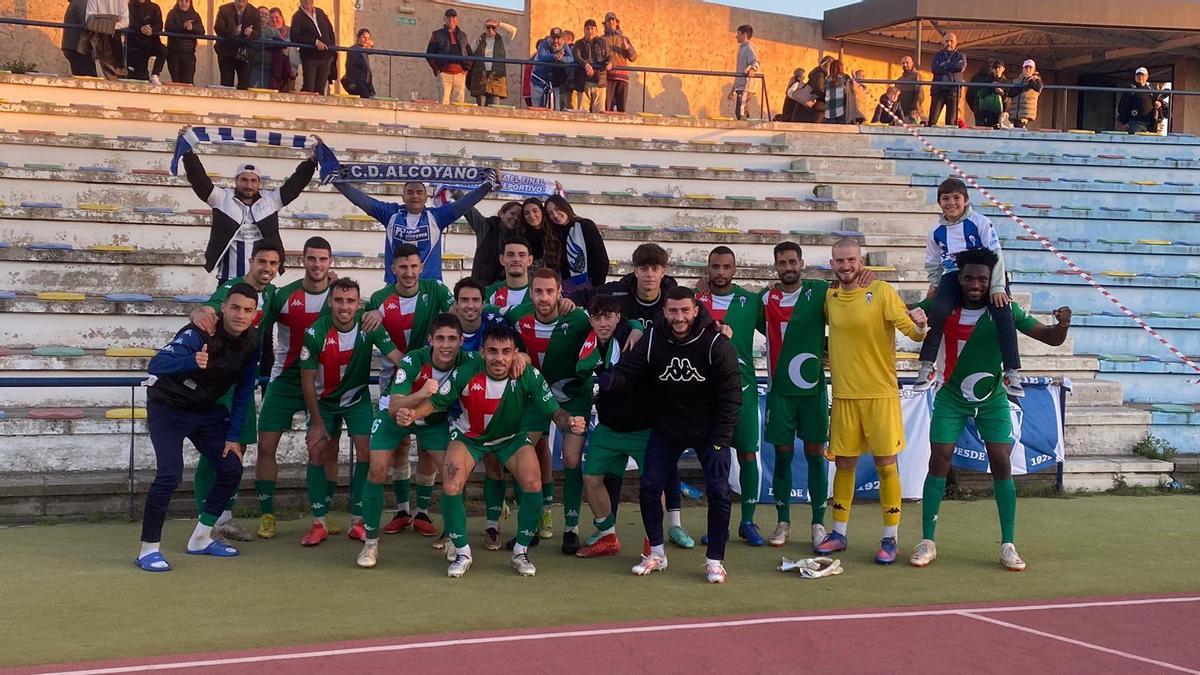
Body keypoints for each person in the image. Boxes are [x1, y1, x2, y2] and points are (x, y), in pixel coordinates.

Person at [911, 248, 1072, 571]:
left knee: (1001, 461)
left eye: (982, 279)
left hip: (992, 399)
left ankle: (1008, 544)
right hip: (951, 396)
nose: (975, 284)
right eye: (968, 277)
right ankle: (927, 540)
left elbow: (1050, 338)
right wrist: (909, 311)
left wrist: (1063, 323)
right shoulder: (944, 306)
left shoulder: (1004, 308)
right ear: (959, 278)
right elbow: (901, 314)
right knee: (939, 458)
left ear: (992, 281)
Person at [395, 323, 587, 578]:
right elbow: (437, 402)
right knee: (451, 484)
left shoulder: (527, 374)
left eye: (506, 352)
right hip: (469, 437)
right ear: (482, 352)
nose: (499, 358)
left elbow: (554, 412)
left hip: (511, 438)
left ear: (514, 353)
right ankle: (462, 552)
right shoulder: (466, 371)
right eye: (493, 351)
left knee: (533, 483)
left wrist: (570, 421)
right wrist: (414, 414)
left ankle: (520, 551)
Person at [601, 287, 741, 583]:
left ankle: (715, 560)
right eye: (673, 311)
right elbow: (628, 370)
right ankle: (656, 553)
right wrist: (611, 379)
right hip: (667, 428)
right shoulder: (653, 340)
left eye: (685, 311)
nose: (679, 317)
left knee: (718, 492)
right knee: (650, 486)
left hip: (709, 431)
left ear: (695, 310)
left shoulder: (716, 342)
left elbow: (731, 397)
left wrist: (720, 440)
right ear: (664, 311)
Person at [566, 242, 693, 548]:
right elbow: (584, 297)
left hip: (663, 395)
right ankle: (608, 530)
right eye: (644, 268)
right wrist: (564, 300)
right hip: (621, 408)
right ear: (635, 271)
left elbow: (693, 318)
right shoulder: (617, 296)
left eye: (655, 269)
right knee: (608, 471)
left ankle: (669, 528)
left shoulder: (673, 298)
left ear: (663, 272)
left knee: (664, 470)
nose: (649, 275)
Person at [816, 239, 927, 564]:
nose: (845, 265)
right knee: (844, 465)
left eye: (851, 259)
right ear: (832, 263)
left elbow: (914, 332)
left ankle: (890, 539)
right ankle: (838, 533)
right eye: (839, 261)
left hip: (880, 395)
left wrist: (921, 323)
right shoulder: (830, 296)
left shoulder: (881, 292)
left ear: (861, 260)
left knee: (886, 465)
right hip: (844, 395)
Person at [136, 283, 260, 572]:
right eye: (235, 307)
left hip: (205, 410)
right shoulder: (199, 332)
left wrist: (232, 435)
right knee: (169, 475)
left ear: (255, 314)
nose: (240, 315)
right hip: (167, 407)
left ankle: (201, 538)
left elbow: (243, 391)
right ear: (223, 308)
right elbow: (156, 363)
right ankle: (148, 550)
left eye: (248, 310)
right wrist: (189, 360)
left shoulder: (252, 341)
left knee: (231, 467)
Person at [360, 313, 481, 567]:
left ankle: (453, 538)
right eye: (440, 339)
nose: (446, 345)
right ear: (430, 341)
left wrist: (522, 359)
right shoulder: (413, 360)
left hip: (432, 421)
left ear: (461, 341)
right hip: (394, 416)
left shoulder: (470, 360)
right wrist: (420, 394)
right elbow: (394, 406)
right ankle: (370, 543)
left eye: (452, 339)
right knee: (377, 469)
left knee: (451, 474)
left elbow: (509, 357)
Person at [187, 240, 284, 541]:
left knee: (236, 448)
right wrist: (198, 311)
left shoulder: (271, 295)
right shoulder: (232, 289)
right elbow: (208, 311)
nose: (267, 268)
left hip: (244, 381)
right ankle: (207, 521)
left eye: (273, 264)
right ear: (251, 261)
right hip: (219, 383)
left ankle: (224, 518)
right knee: (215, 450)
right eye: (262, 262)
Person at [297, 278, 402, 548]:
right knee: (318, 450)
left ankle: (358, 521)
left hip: (356, 399)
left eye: (350, 301)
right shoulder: (315, 332)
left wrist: (424, 373)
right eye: (339, 300)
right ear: (330, 301)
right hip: (324, 401)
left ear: (359, 304)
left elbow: (398, 358)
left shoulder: (369, 326)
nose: (345, 307)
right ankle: (318, 522)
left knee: (367, 451)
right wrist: (317, 424)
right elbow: (307, 381)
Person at [504, 269, 593, 554]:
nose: (544, 298)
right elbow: (487, 311)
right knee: (519, 456)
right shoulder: (517, 316)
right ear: (531, 293)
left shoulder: (577, 318)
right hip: (533, 397)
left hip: (573, 396)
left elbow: (611, 322)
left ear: (559, 293)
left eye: (549, 292)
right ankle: (529, 529)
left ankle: (571, 529)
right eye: (538, 292)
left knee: (570, 459)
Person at [320, 143, 498, 283]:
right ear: (402, 196)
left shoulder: (436, 216)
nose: (415, 196)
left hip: (429, 287)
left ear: (426, 196)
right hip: (395, 285)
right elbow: (361, 200)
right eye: (410, 192)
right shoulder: (390, 214)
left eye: (419, 192)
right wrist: (336, 179)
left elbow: (465, 203)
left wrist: (487, 185)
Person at [253, 237, 333, 539]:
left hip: (323, 382)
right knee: (265, 446)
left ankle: (321, 516)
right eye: (312, 258)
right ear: (304, 261)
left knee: (323, 449)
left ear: (330, 262)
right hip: (284, 379)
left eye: (323, 259)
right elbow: (258, 332)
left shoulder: (338, 296)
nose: (317, 264)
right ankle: (267, 514)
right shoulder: (283, 295)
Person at [914, 177, 1022, 397]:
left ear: (966, 200)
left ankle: (1012, 371)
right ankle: (926, 366)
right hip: (954, 275)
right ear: (939, 202)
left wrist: (997, 287)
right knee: (939, 311)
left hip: (985, 275)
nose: (951, 203)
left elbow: (996, 254)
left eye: (956, 198)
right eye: (946, 198)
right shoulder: (936, 231)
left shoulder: (980, 222)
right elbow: (932, 261)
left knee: (1003, 312)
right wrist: (935, 284)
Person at [177, 125, 317, 284]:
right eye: (243, 180)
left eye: (253, 180)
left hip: (262, 279)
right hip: (229, 279)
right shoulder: (222, 198)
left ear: (259, 182)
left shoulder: (271, 200)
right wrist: (188, 153)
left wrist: (312, 162)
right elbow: (198, 180)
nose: (248, 185)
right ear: (235, 180)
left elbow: (295, 185)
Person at [760, 243, 831, 549]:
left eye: (792, 261)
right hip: (780, 393)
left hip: (812, 391)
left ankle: (818, 523)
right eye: (781, 262)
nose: (787, 267)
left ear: (802, 263)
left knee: (816, 455)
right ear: (775, 266)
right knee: (783, 457)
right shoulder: (765, 299)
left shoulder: (820, 293)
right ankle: (783, 522)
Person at [695, 247, 765, 546]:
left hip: (744, 392)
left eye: (726, 267)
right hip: (706, 395)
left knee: (747, 454)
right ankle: (717, 525)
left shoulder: (751, 302)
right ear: (707, 269)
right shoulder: (694, 301)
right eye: (715, 266)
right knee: (715, 458)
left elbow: (780, 327)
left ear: (734, 270)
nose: (720, 272)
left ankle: (748, 521)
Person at [543, 195, 608, 294]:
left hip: (589, 286)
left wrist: (597, 288)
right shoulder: (553, 234)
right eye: (550, 213)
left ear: (565, 207)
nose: (555, 215)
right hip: (564, 289)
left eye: (557, 209)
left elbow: (601, 259)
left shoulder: (585, 225)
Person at [465, 200, 524, 285]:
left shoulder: (520, 237)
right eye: (512, 213)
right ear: (501, 213)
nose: (515, 218)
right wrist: (455, 191)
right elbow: (468, 207)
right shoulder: (485, 227)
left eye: (519, 216)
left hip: (506, 286)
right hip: (482, 285)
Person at [426, 8, 472, 105]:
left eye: (453, 17)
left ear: (457, 19)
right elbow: (429, 54)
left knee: (459, 104)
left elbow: (470, 54)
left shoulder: (463, 36)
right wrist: (437, 70)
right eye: (449, 17)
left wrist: (466, 69)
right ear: (444, 19)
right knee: (444, 103)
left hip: (460, 74)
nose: (451, 19)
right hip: (444, 74)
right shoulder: (437, 34)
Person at [291, 0, 336, 95]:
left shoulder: (320, 12)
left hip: (326, 57)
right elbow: (295, 37)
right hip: (310, 57)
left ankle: (318, 109)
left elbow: (330, 30)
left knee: (320, 88)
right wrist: (314, 42)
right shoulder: (297, 17)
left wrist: (331, 47)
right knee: (309, 87)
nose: (307, 1)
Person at [469, 18, 517, 107]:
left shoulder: (502, 40)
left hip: (496, 79)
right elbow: (470, 52)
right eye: (488, 27)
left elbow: (513, 30)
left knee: (494, 108)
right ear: (484, 28)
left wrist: (499, 24)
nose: (490, 30)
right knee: (481, 108)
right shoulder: (479, 40)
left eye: (493, 27)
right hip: (481, 79)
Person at [213, 0, 258, 90]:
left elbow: (258, 32)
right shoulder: (224, 10)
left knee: (244, 86)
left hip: (245, 54)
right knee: (226, 85)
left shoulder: (254, 12)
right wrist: (234, 32)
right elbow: (218, 28)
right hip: (226, 53)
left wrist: (250, 33)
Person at [601, 12, 637, 113]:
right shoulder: (601, 39)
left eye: (613, 20)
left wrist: (628, 48)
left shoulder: (624, 39)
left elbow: (633, 57)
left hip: (622, 76)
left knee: (622, 110)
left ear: (617, 23)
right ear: (605, 24)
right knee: (608, 109)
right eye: (609, 20)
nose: (611, 22)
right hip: (608, 77)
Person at [85, 0, 129, 79]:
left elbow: (125, 22)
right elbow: (89, 20)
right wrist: (111, 24)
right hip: (100, 38)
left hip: (113, 38)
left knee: (116, 72)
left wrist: (103, 25)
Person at [571, 19, 609, 113]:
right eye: (588, 29)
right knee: (582, 112)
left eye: (592, 28)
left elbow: (610, 55)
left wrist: (610, 62)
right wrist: (586, 65)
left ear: (596, 30)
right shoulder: (578, 43)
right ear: (584, 30)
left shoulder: (602, 42)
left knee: (599, 113)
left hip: (600, 81)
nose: (590, 31)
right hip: (583, 81)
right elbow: (577, 56)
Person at [486, 237, 534, 309]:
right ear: (502, 259)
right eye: (510, 255)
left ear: (530, 260)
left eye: (521, 255)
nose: (516, 259)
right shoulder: (489, 293)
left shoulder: (540, 291)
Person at [532, 27, 574, 110]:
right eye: (553, 38)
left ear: (562, 39)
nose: (555, 41)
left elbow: (571, 59)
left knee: (556, 109)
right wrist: (554, 57)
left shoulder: (564, 45)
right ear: (550, 38)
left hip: (554, 84)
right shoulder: (543, 44)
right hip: (539, 82)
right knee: (536, 109)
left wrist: (561, 59)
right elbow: (542, 57)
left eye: (558, 38)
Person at [929, 32, 966, 126]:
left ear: (956, 42)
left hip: (953, 92)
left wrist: (945, 64)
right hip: (938, 91)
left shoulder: (961, 56)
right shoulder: (937, 55)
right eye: (946, 41)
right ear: (943, 42)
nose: (949, 43)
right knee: (932, 120)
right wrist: (952, 67)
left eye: (951, 41)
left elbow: (960, 67)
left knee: (951, 123)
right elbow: (934, 68)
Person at [163, 0, 203, 85]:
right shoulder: (172, 13)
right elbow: (168, 27)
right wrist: (183, 26)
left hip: (189, 54)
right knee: (176, 81)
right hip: (174, 53)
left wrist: (192, 28)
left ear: (190, 3)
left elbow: (201, 31)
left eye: (186, 1)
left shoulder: (195, 15)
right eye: (181, 1)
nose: (184, 3)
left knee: (188, 82)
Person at [127, 0, 167, 84]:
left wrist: (151, 30)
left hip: (152, 42)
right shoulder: (129, 6)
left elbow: (159, 24)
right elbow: (129, 22)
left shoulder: (154, 7)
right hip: (136, 45)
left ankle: (155, 74)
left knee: (163, 50)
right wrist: (140, 28)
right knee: (141, 77)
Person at [728, 25, 760, 121]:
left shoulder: (749, 48)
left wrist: (753, 69)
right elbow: (739, 70)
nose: (736, 36)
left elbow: (756, 61)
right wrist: (733, 90)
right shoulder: (741, 49)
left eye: (738, 34)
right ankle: (749, 131)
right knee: (742, 112)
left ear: (744, 35)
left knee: (740, 112)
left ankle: (746, 132)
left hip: (746, 86)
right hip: (740, 85)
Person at [1119, 67, 1164, 134]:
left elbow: (1158, 100)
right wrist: (1124, 121)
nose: (1140, 77)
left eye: (1142, 75)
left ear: (1147, 77)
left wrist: (1159, 103)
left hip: (1149, 123)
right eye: (1138, 75)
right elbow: (1122, 106)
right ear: (1135, 76)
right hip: (1134, 122)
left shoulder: (1151, 90)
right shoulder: (1129, 90)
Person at [248, 6, 283, 89]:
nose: (263, 15)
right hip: (254, 66)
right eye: (260, 13)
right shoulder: (250, 29)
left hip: (269, 67)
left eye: (266, 14)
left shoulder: (273, 31)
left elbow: (282, 44)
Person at [62, 0, 98, 77]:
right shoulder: (83, 3)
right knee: (88, 79)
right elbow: (88, 24)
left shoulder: (77, 2)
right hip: (78, 47)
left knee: (84, 76)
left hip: (75, 46)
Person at [970, 60, 1007, 128]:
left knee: (995, 133)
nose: (997, 70)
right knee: (981, 132)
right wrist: (991, 87)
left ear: (1003, 69)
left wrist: (1002, 94)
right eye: (995, 67)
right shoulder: (986, 80)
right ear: (992, 69)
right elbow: (980, 94)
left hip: (996, 113)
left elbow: (1007, 98)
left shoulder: (1005, 83)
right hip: (983, 111)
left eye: (999, 67)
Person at [343, 28, 375, 98]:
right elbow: (349, 66)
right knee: (365, 99)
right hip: (358, 80)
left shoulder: (363, 50)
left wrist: (371, 45)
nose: (366, 40)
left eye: (368, 38)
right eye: (364, 37)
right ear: (358, 38)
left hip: (365, 81)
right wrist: (351, 82)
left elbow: (372, 51)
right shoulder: (354, 49)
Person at [1010, 59, 1042, 130]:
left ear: (1034, 69)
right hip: (1015, 111)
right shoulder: (1016, 80)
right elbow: (1011, 93)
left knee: (1020, 127)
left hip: (1026, 111)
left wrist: (1029, 80)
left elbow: (1038, 87)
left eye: (1030, 67)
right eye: (1026, 67)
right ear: (1023, 69)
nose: (1028, 69)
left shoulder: (1036, 79)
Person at [897, 55, 925, 125]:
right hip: (902, 115)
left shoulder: (917, 76)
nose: (905, 64)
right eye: (903, 63)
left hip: (913, 115)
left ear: (912, 63)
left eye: (907, 62)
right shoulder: (899, 80)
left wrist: (915, 110)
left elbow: (919, 95)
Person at [824, 59, 847, 124]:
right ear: (841, 68)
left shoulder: (827, 80)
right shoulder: (844, 80)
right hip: (841, 111)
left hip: (829, 112)